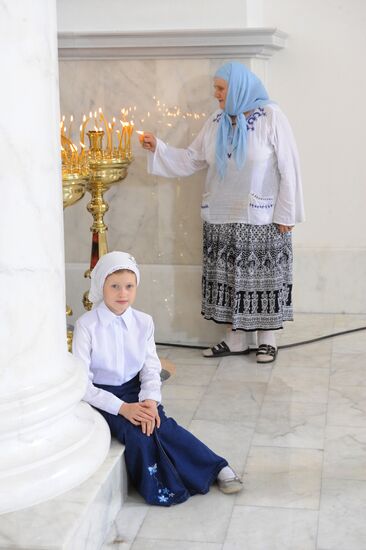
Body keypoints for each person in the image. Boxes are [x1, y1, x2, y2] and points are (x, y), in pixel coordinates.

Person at [140, 61, 304, 364]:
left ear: (238, 87)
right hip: (221, 215)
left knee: (262, 279)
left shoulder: (271, 117)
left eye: (220, 88)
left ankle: (267, 339)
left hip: (261, 218)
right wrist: (158, 149)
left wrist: (286, 214)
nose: (215, 94)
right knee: (230, 278)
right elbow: (192, 159)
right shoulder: (216, 120)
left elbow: (289, 167)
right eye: (215, 88)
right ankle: (236, 339)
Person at [72, 251, 243, 506]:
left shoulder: (143, 322)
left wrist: (150, 401)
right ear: (101, 286)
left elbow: (151, 368)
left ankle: (216, 466)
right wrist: (123, 408)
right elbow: (82, 384)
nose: (123, 294)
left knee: (161, 423)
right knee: (138, 433)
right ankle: (161, 486)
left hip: (135, 390)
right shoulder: (86, 326)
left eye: (129, 286)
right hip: (104, 396)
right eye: (115, 286)